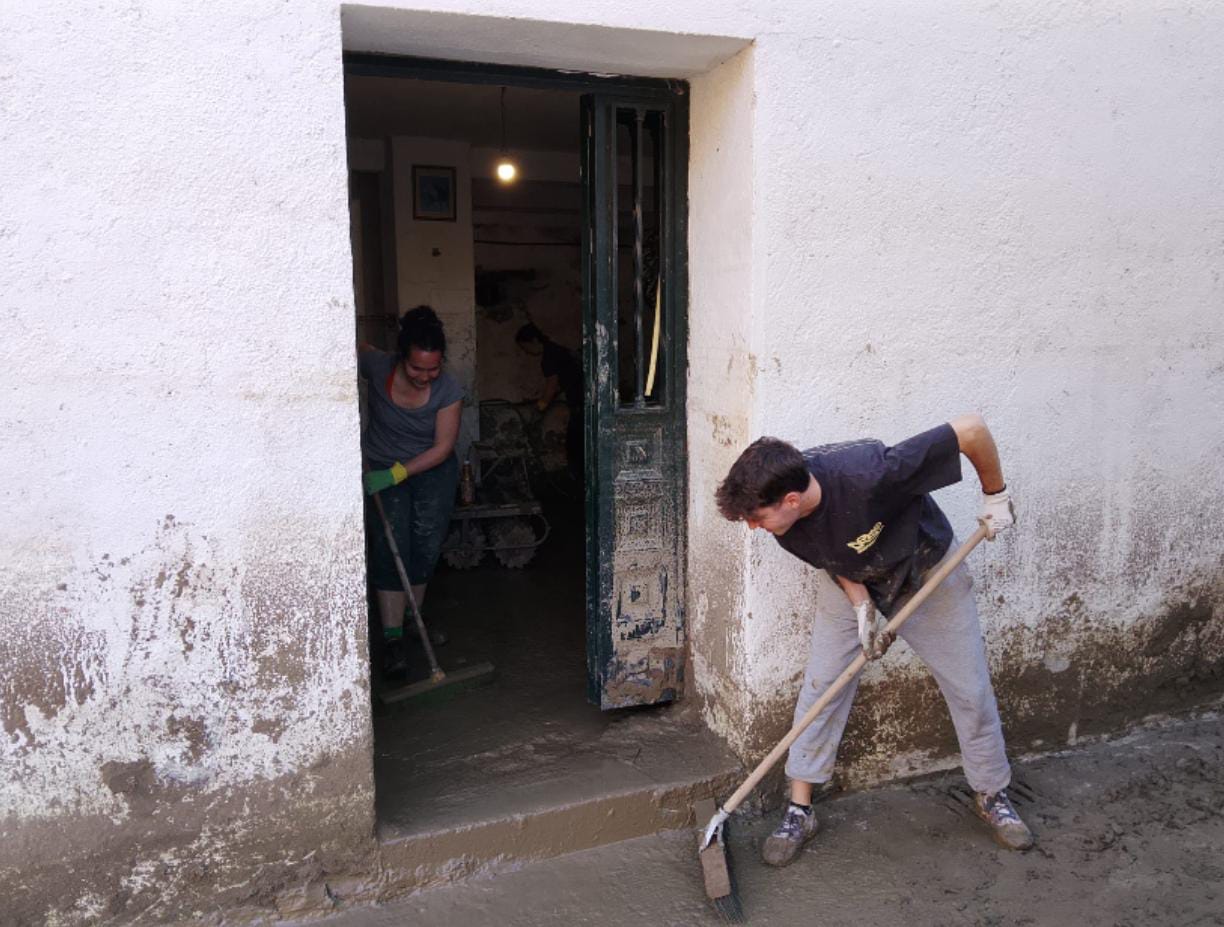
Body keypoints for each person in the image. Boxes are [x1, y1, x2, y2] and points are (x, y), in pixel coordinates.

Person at [714, 413, 1033, 867]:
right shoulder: (784, 526)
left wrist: (995, 495)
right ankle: (800, 810)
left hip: (927, 571)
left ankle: (992, 793)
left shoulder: (871, 473)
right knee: (823, 687)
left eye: (756, 517)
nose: (752, 527)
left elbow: (972, 430)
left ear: (789, 499)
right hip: (857, 581)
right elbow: (833, 554)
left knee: (969, 689)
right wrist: (862, 606)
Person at [359, 306, 463, 680]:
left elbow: (443, 447)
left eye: (432, 369)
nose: (425, 376)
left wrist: (398, 474)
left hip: (430, 471)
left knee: (424, 545)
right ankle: (392, 640)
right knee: (390, 546)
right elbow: (356, 348)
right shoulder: (377, 366)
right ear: (401, 357)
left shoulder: (448, 389)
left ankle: (412, 620)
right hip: (382, 466)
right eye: (417, 368)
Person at [515, 323, 583, 482]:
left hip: (580, 403)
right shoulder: (557, 350)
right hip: (582, 400)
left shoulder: (549, 356)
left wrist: (540, 407)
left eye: (526, 347)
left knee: (575, 443)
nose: (527, 352)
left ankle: (577, 479)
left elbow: (552, 385)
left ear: (534, 340)